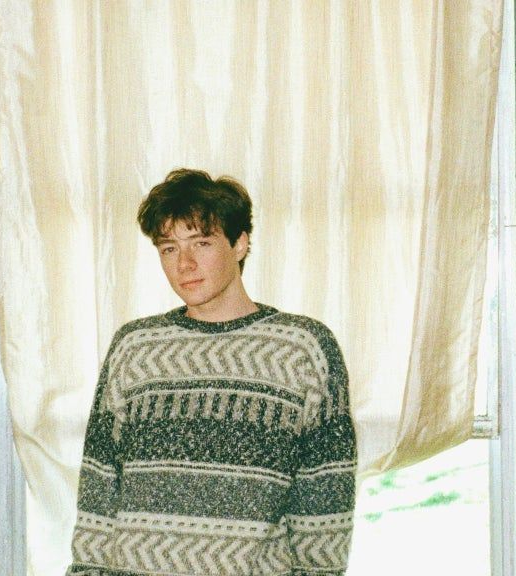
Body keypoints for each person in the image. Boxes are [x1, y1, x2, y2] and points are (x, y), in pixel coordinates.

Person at [66, 169, 357, 576]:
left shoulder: (302, 348)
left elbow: (324, 504)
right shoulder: (135, 347)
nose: (184, 264)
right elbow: (99, 491)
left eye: (201, 243)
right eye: (169, 248)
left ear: (240, 244)